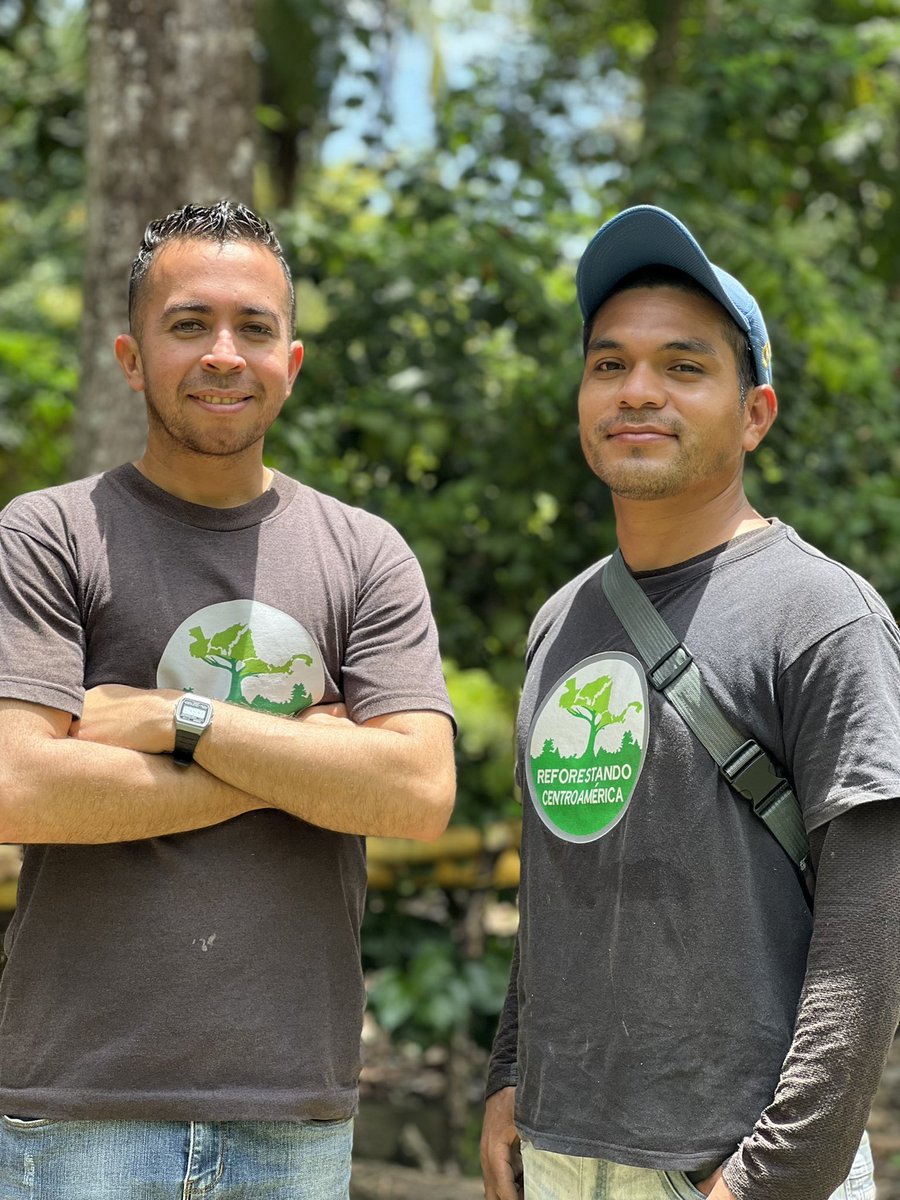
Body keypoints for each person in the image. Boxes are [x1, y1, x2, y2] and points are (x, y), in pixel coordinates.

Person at [0, 199, 456, 1199]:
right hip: (82, 1108)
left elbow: (416, 792)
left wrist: (179, 721)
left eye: (254, 328)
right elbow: (19, 787)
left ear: (290, 363)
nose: (223, 353)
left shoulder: (364, 553)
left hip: (292, 1110)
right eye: (188, 324)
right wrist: (305, 764)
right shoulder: (48, 536)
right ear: (130, 358)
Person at [480, 205, 900, 1200]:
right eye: (608, 363)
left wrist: (775, 1175)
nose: (638, 392)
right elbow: (561, 879)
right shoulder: (560, 620)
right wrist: (508, 1077)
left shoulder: (822, 613)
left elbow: (873, 928)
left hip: (729, 1165)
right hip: (559, 1151)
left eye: (683, 366)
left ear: (754, 412)